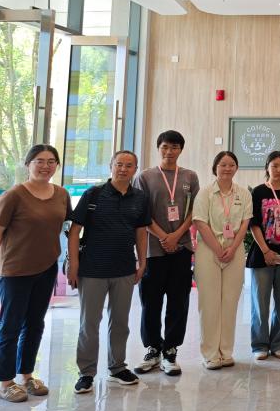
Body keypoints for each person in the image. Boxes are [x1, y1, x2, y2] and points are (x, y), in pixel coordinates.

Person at [0, 144, 71, 402]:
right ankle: (5, 382)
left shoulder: (61, 194)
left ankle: (26, 376)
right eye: (39, 161)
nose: (45, 166)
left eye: (51, 161)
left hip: (46, 268)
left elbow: (67, 226)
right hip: (15, 271)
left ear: (56, 165)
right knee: (11, 326)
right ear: (28, 164)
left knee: (35, 324)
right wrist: (9, 259)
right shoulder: (14, 195)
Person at [68, 150, 150, 394]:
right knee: (89, 323)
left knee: (121, 322)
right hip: (92, 269)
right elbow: (75, 231)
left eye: (129, 165)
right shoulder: (93, 194)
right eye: (119, 164)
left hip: (124, 269)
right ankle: (86, 373)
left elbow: (141, 232)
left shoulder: (140, 198)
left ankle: (117, 367)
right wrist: (74, 264)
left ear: (135, 170)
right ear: (110, 166)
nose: (123, 169)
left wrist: (142, 262)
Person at [132, 130, 199, 376]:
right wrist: (163, 237)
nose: (169, 152)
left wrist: (176, 236)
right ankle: (152, 349)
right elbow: (142, 213)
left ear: (181, 150)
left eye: (174, 147)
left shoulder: (190, 176)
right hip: (153, 250)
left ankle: (170, 350)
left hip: (181, 248)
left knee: (178, 301)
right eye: (165, 147)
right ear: (158, 148)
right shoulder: (145, 177)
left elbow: (193, 212)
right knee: (151, 301)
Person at [192, 150, 252, 369]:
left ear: (236, 168)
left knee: (230, 302)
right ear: (215, 168)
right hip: (209, 250)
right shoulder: (205, 193)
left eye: (231, 164)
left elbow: (245, 223)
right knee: (209, 304)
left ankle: (226, 351)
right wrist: (218, 249)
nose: (227, 168)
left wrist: (233, 248)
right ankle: (210, 354)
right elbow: (200, 222)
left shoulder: (243, 194)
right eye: (223, 164)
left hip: (234, 251)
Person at [248, 151, 280, 359]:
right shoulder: (258, 192)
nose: (279, 169)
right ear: (267, 167)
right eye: (274, 165)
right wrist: (266, 250)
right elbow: (253, 223)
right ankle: (259, 345)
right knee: (260, 303)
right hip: (263, 255)